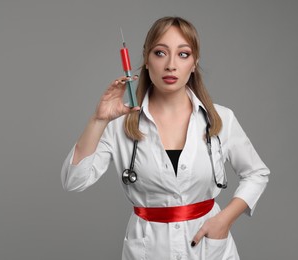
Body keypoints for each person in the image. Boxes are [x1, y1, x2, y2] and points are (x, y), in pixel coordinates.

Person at [61, 16, 269, 260]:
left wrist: (224, 220)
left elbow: (257, 173)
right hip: (149, 250)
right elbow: (74, 181)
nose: (171, 65)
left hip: (208, 248)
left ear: (194, 63)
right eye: (160, 53)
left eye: (183, 54)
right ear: (147, 60)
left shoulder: (220, 118)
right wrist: (98, 120)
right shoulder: (119, 123)